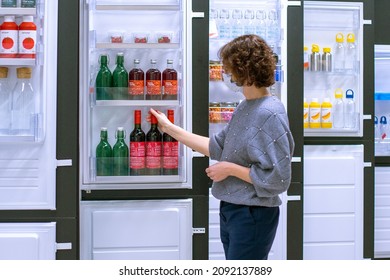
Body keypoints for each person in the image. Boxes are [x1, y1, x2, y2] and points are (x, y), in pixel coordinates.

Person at [149, 34, 295, 260]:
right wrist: (169, 128)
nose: (226, 75)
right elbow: (216, 147)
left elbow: (279, 179)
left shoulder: (270, 113)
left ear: (244, 71)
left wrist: (229, 169)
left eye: (228, 69)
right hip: (232, 208)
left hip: (253, 214)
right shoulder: (245, 107)